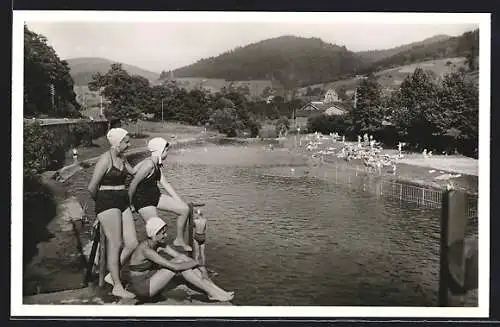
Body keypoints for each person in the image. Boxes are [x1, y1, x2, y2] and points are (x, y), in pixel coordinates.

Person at [125, 217, 234, 301]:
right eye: (163, 233)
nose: (166, 235)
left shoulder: (158, 244)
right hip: (144, 288)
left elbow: (180, 256)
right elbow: (175, 267)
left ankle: (216, 290)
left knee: (182, 259)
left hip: (150, 279)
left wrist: (201, 268)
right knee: (180, 266)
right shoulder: (146, 250)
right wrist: (197, 262)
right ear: (154, 233)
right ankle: (211, 292)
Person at [87, 127, 139, 299]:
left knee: (132, 243)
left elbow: (134, 172)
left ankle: (111, 273)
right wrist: (101, 205)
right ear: (117, 143)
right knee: (116, 244)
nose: (129, 144)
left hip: (122, 200)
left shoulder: (122, 158)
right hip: (107, 201)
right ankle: (117, 285)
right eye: (126, 141)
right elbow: (92, 187)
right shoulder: (105, 159)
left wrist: (152, 161)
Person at [129, 137, 192, 251]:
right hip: (143, 201)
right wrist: (130, 204)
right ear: (160, 150)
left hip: (155, 196)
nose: (167, 153)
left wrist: (178, 200)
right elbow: (133, 184)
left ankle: (179, 240)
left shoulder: (156, 164)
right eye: (166, 150)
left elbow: (165, 183)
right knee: (157, 230)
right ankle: (153, 255)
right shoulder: (148, 165)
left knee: (184, 209)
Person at [192, 209, 209, 279]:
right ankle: (203, 267)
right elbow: (205, 229)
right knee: (202, 253)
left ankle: (196, 267)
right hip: (203, 236)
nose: (194, 215)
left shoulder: (195, 221)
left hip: (197, 236)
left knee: (197, 253)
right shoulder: (205, 220)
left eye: (195, 214)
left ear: (197, 214)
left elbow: (193, 228)